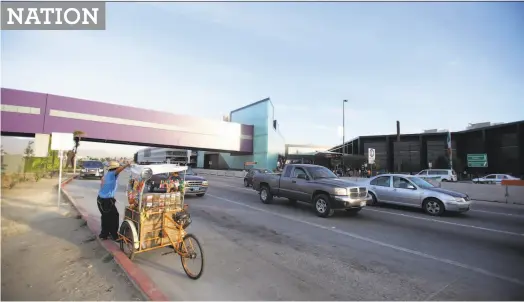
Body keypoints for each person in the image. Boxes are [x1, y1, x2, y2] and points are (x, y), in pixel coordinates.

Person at [97, 160, 131, 240]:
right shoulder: (113, 174)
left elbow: (104, 186)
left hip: (101, 199)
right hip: (106, 201)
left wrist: (111, 196)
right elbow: (119, 170)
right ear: (115, 169)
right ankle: (114, 236)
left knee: (105, 217)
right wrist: (126, 165)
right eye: (117, 168)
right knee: (114, 217)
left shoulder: (107, 174)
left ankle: (104, 234)